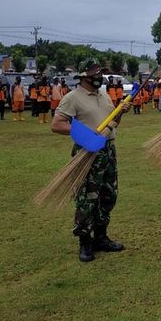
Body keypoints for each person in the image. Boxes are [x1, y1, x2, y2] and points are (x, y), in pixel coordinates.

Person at [51, 58, 130, 262]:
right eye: (95, 73)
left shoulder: (104, 95)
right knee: (87, 199)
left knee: (108, 195)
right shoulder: (72, 97)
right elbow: (57, 124)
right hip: (86, 151)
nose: (99, 76)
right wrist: (83, 133)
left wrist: (120, 113)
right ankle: (85, 242)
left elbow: (113, 123)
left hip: (108, 150)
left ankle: (101, 238)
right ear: (84, 76)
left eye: (100, 72)